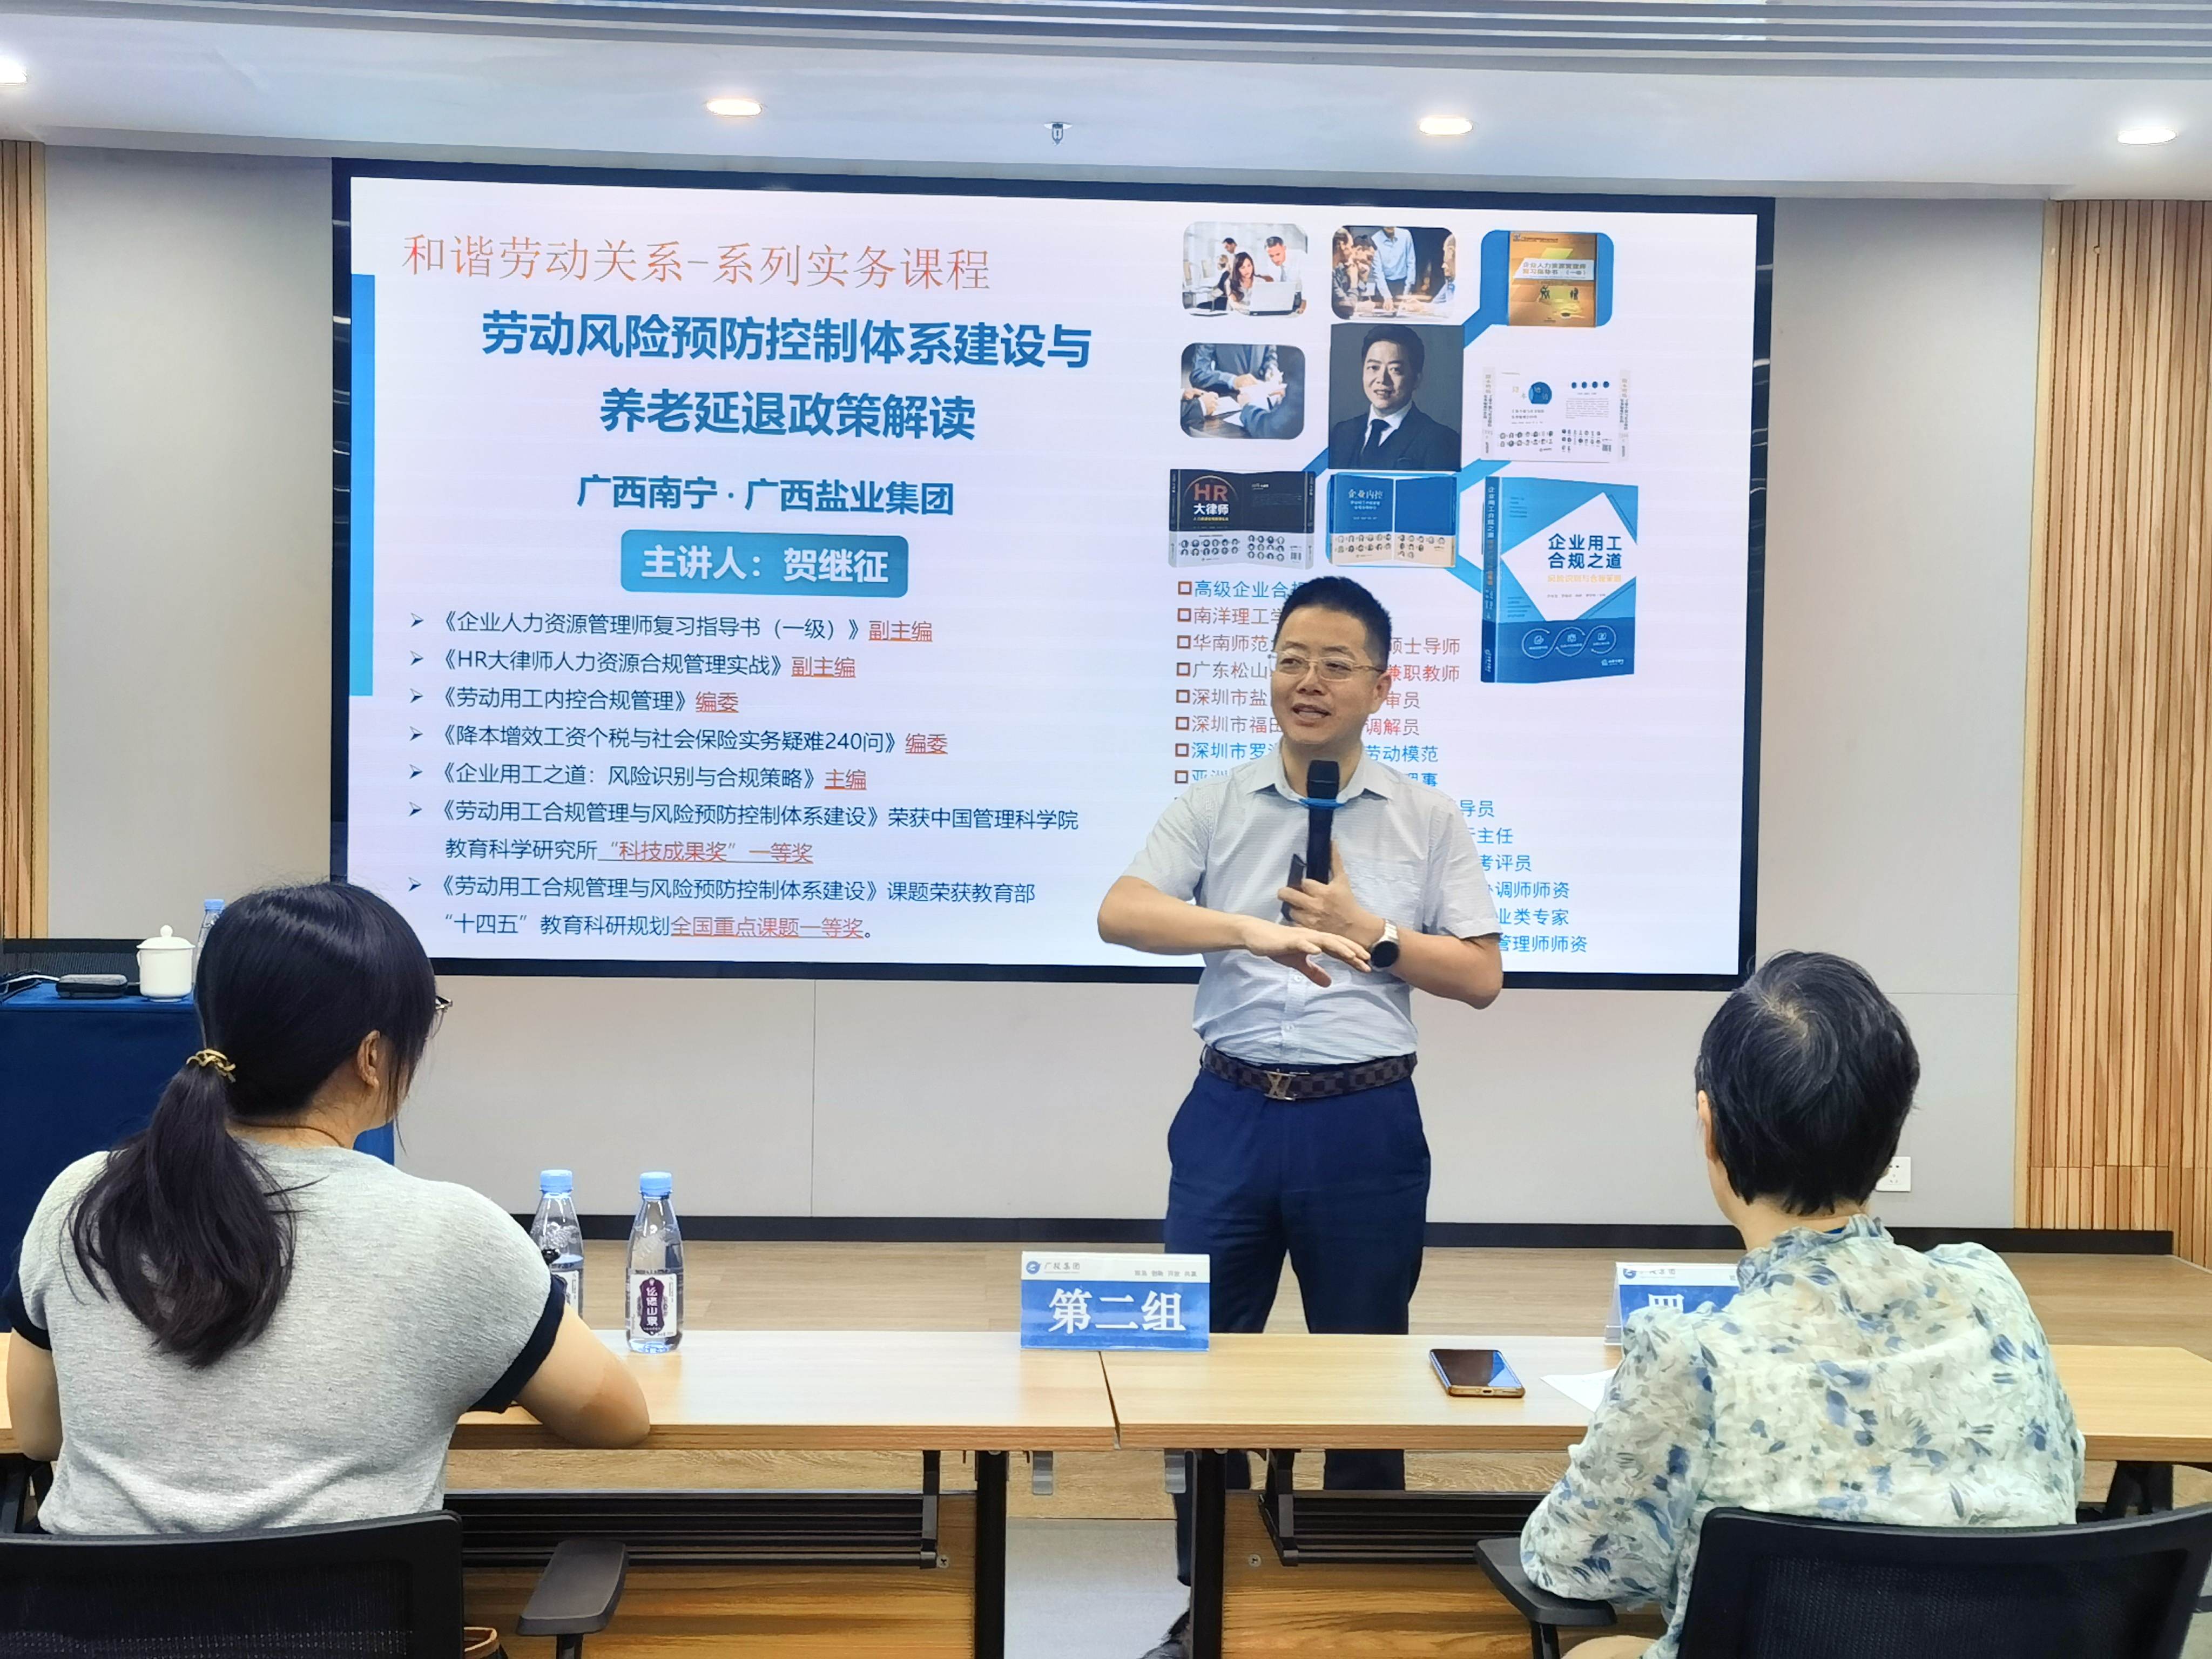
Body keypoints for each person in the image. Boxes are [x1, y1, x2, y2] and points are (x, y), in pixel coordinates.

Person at [1100, 576, 1502, 1659]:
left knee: (1367, 1371)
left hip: (1362, 1122)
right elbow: (1120, 911)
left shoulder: (1426, 817)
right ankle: (1212, 1603)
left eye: (1333, 663)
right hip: (1229, 1110)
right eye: (1289, 659)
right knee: (1199, 1369)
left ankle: (1358, 1606)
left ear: (1381, 685)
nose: (1307, 681)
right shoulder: (1217, 802)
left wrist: (1373, 933)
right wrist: (1249, 929)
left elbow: (1478, 975)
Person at [2, 881, 650, 1535]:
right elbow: (617, 1419)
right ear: (372, 1057)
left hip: (95, 1604)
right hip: (359, 1604)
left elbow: (38, 1434)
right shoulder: (454, 1235)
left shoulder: (85, 1198)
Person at [1521, 952, 2084, 1659]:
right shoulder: (1991, 1292)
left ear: (1709, 1127)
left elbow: (1574, 1565)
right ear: (1891, 1130)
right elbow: (2060, 1488)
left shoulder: (1691, 1357)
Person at [1326, 323, 1460, 471]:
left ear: (1416, 379)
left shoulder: (1440, 440)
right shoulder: (1342, 433)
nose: (1382, 380)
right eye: (1374, 368)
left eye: (1395, 370)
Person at [1180, 341, 1299, 440]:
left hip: (1259, 405)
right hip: (1222, 411)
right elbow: (1199, 374)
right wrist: (1233, 381)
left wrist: (1271, 369)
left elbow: (1270, 357)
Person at [1257, 234, 1304, 313]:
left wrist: (1303, 306)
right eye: (1271, 256)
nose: (1275, 259)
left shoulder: (1300, 257)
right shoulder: (1270, 263)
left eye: (1278, 254)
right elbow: (1276, 284)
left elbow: (1310, 284)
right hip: (1283, 298)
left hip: (1301, 297)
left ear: (1284, 248)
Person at [1372, 225, 1416, 298]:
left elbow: (1411, 261)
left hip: (1403, 283)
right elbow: (1378, 271)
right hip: (1383, 284)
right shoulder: (1375, 239)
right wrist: (1386, 296)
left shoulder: (1406, 235)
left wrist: (1408, 288)